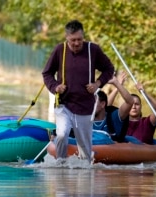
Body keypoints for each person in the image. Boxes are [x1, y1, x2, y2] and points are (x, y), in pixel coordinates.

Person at [42, 19, 115, 163]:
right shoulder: (59, 50)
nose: (76, 43)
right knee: (62, 134)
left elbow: (109, 69)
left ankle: (85, 174)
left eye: (79, 40)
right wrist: (56, 86)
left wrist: (97, 84)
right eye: (73, 40)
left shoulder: (92, 50)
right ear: (66, 37)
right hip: (64, 104)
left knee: (85, 150)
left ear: (84, 37)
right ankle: (60, 165)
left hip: (85, 106)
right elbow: (47, 73)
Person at [93, 71, 134, 142]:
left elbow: (129, 102)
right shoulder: (85, 119)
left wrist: (116, 83)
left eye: (93, 102)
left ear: (102, 104)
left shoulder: (113, 118)